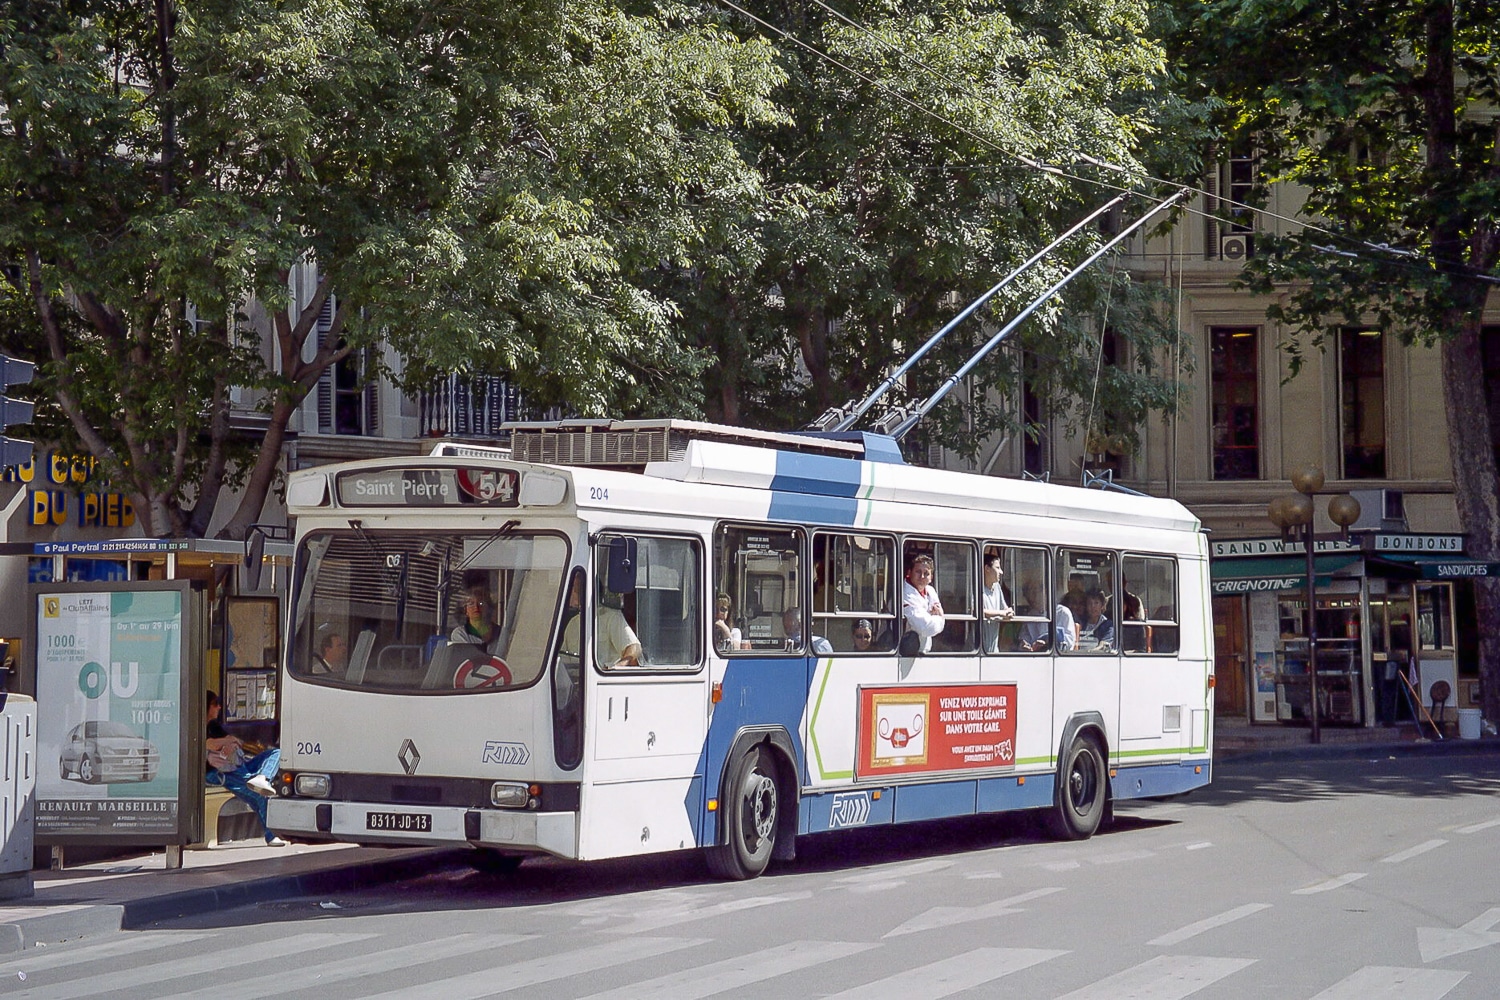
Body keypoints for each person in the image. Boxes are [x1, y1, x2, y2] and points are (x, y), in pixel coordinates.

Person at [205, 690, 286, 847]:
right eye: (215, 704)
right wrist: (224, 743)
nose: (219, 707)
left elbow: (235, 741)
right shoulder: (197, 727)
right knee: (259, 796)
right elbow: (210, 744)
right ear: (206, 706)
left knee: (276, 753)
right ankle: (270, 835)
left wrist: (227, 743)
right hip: (220, 772)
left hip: (236, 764)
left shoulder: (214, 726)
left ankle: (263, 777)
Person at [561, 576, 642, 667]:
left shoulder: (611, 617)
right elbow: (564, 661)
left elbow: (634, 648)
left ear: (586, 590)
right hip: (576, 679)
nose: (569, 592)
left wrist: (618, 667)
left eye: (573, 588)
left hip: (603, 678)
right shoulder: (572, 624)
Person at [901, 554, 945, 653]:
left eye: (926, 573)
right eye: (918, 572)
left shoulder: (930, 590)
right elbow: (925, 627)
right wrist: (941, 619)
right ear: (909, 572)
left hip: (924, 651)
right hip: (905, 653)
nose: (922, 576)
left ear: (931, 577)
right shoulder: (905, 593)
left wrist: (932, 618)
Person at [451, 576, 501, 652]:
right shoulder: (460, 634)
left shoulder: (500, 633)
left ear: (488, 607)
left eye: (481, 603)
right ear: (465, 610)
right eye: (471, 604)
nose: (476, 608)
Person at [981, 554, 1014, 653]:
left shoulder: (997, 588)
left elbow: (1004, 609)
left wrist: (1009, 612)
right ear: (987, 568)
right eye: (997, 568)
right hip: (978, 645)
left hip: (993, 647)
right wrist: (1000, 613)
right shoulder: (977, 587)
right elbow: (977, 610)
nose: (1001, 572)